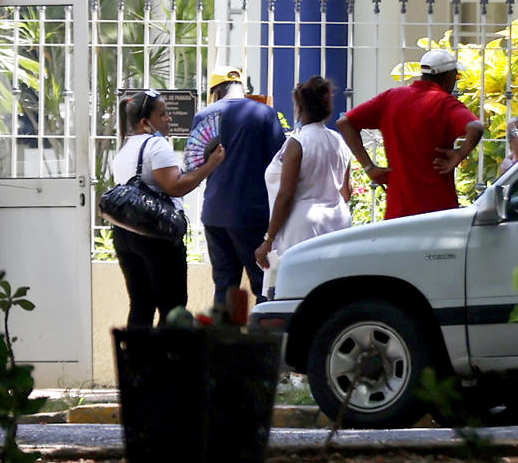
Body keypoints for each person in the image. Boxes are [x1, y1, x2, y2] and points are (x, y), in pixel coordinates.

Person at [108, 89, 223, 327]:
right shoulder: (157, 145)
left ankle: (137, 362)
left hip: (124, 234)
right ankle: (164, 362)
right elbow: (175, 187)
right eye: (163, 115)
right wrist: (209, 166)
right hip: (155, 235)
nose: (168, 119)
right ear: (145, 122)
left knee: (141, 303)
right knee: (173, 306)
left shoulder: (124, 147)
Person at [337, 48, 483, 219]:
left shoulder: (391, 97)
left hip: (398, 210)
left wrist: (370, 167)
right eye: (456, 77)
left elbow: (345, 122)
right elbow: (475, 127)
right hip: (438, 208)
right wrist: (459, 154)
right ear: (448, 76)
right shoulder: (445, 103)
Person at [254, 77, 354, 299]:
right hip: (339, 222)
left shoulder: (297, 143)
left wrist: (268, 240)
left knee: (296, 296)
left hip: (302, 228)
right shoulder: (338, 142)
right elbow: (346, 192)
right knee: (334, 295)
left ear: (299, 107)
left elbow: (286, 194)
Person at [196, 65, 286, 310]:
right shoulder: (263, 114)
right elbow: (280, 161)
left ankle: (223, 345)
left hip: (214, 213)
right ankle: (261, 344)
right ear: (243, 88)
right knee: (263, 284)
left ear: (215, 91)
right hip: (252, 213)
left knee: (224, 286)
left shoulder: (204, 116)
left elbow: (196, 163)